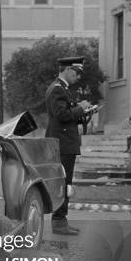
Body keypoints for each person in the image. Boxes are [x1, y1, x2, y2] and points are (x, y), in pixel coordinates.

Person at [45, 56, 91, 235]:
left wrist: (84, 111)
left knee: (65, 183)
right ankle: (59, 221)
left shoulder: (62, 89)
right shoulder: (57, 89)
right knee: (64, 184)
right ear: (67, 70)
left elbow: (67, 116)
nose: (78, 77)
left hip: (65, 143)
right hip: (62, 145)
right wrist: (80, 107)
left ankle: (60, 221)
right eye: (77, 73)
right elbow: (62, 115)